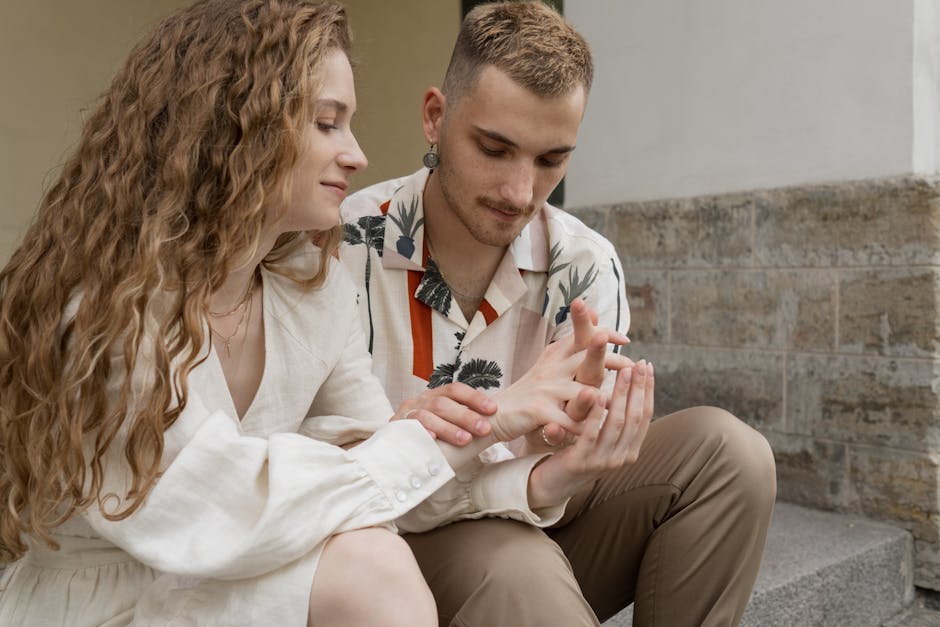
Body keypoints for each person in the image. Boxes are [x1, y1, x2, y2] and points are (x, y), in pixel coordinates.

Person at [0, 1, 632, 625]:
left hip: (239, 582)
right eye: (327, 124)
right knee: (374, 572)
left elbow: (375, 475)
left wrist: (518, 468)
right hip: (113, 600)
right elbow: (225, 507)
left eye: (551, 159)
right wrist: (484, 423)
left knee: (377, 552)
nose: (357, 155)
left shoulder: (307, 285)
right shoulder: (116, 308)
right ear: (234, 128)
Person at [340, 2, 778, 626]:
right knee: (517, 563)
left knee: (732, 455)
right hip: (384, 553)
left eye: (551, 160)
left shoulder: (585, 262)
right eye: (494, 148)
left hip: (541, 518)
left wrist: (578, 450)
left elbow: (561, 476)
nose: (521, 192)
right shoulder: (342, 246)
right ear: (435, 117)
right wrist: (516, 455)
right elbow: (336, 486)